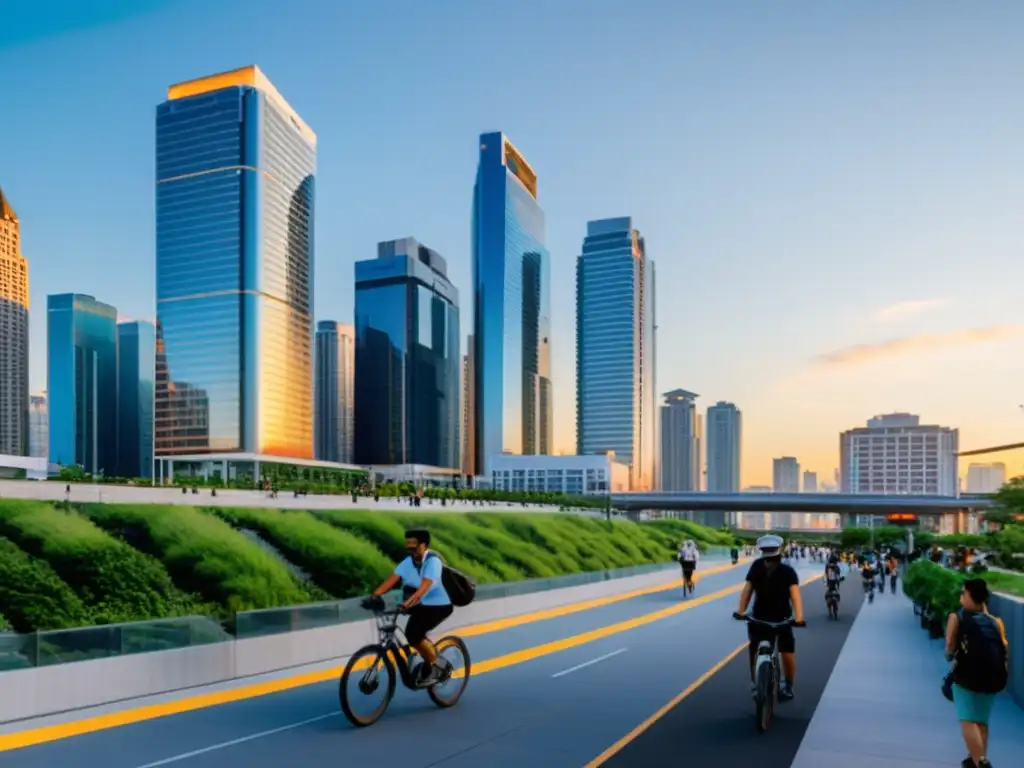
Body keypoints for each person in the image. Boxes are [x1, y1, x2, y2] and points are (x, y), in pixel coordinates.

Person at [363, 528, 454, 684]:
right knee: (411, 633)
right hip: (419, 603)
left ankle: (437, 666)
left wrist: (406, 604)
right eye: (409, 544)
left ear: (424, 545)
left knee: (413, 635)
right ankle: (420, 654)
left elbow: (424, 587)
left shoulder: (433, 561)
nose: (411, 548)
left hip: (438, 605)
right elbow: (391, 581)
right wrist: (374, 596)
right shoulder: (408, 562)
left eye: (414, 545)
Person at [734, 534, 806, 701]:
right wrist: (741, 611)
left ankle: (787, 685)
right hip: (761, 618)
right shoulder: (757, 567)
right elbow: (748, 590)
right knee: (756, 650)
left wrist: (799, 616)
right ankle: (756, 684)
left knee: (786, 653)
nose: (769, 560)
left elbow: (795, 595)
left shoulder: (787, 571)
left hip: (781, 619)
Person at [946, 579, 1009, 768]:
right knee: (981, 720)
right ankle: (975, 759)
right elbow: (1004, 648)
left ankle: (981, 762)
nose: (961, 596)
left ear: (969, 596)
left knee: (966, 719)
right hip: (993, 678)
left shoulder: (957, 617)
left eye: (963, 593)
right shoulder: (996, 622)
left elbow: (949, 647)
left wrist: (950, 654)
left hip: (966, 676)